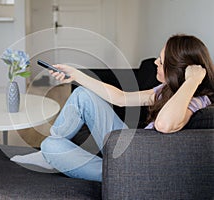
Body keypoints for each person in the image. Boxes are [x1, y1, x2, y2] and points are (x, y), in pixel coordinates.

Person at [12, 34, 214, 182]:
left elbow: (164, 124)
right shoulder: (166, 90)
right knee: (82, 95)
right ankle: (53, 154)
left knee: (50, 147)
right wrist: (76, 75)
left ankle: (107, 173)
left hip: (137, 165)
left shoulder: (197, 99)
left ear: (178, 70)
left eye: (161, 61)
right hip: (133, 149)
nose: (155, 63)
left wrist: (192, 82)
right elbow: (121, 98)